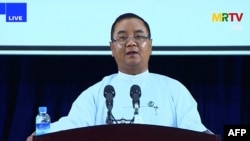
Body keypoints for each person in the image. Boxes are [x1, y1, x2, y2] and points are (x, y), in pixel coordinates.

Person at [27, 12, 213, 141]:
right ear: (111, 48)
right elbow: (73, 124)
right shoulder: (97, 92)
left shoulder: (174, 90)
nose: (131, 43)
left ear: (150, 45)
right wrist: (41, 135)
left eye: (139, 37)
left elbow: (195, 131)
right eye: (122, 38)